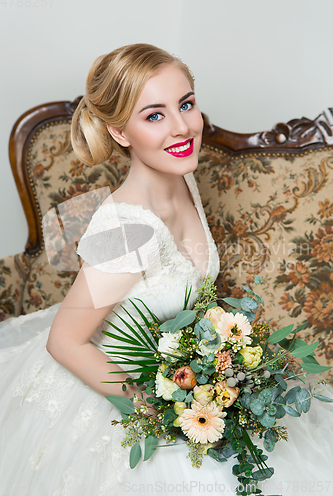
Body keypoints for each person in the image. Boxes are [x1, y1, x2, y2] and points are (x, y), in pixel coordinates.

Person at [0, 43, 332, 496]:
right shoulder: (126, 228)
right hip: (110, 384)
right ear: (119, 133)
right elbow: (64, 341)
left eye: (186, 104)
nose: (182, 127)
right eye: (154, 115)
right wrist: (156, 413)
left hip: (174, 374)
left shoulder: (183, 177)